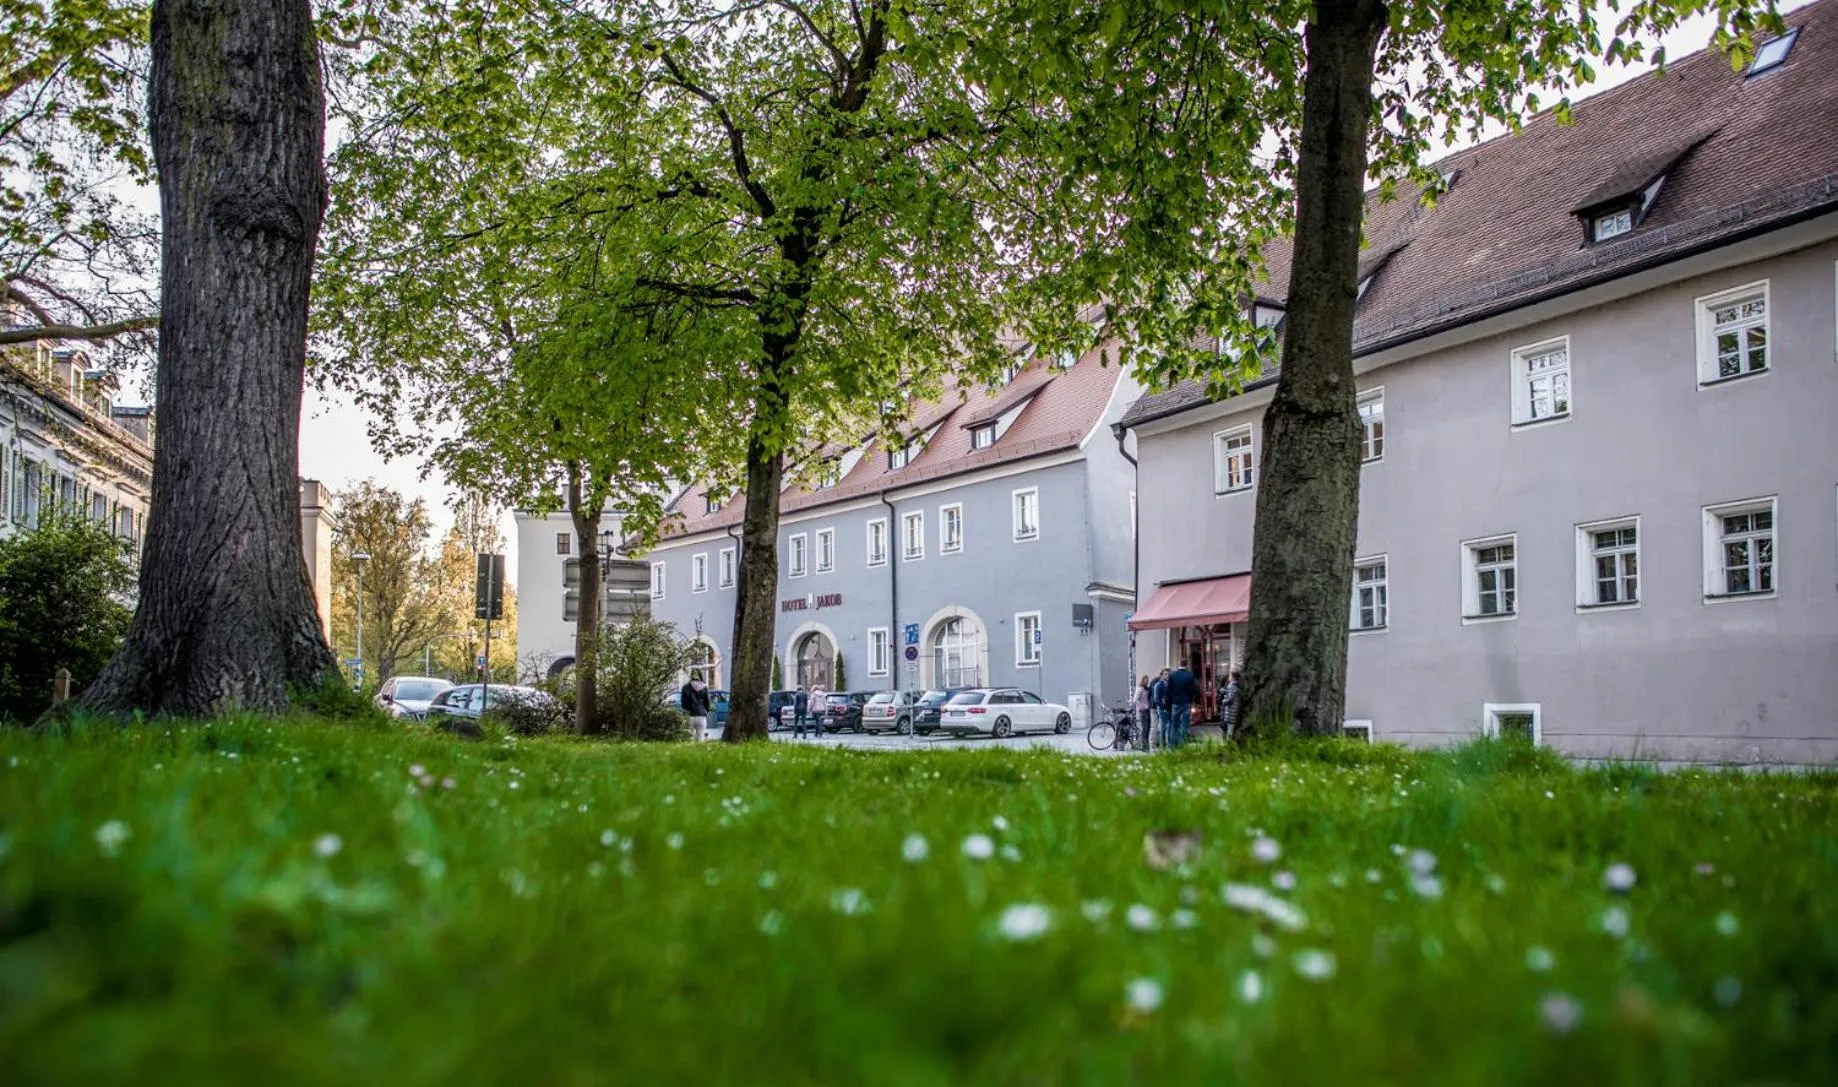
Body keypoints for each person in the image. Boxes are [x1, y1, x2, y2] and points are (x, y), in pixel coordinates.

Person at [1167, 661, 1200, 747]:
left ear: (1179, 664)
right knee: (1184, 724)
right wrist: (1192, 699)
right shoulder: (1190, 675)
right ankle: (1182, 744)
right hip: (1186, 702)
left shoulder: (1173, 675)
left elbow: (1169, 690)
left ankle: (1173, 745)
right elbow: (1195, 690)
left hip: (1175, 703)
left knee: (1174, 724)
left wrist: (1169, 703)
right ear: (1187, 665)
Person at [680, 670, 712, 742]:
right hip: (701, 715)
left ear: (691, 676)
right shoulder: (704, 687)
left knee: (689, 739)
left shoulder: (685, 687)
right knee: (700, 738)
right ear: (700, 676)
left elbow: (683, 703)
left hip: (689, 715)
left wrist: (686, 710)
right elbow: (707, 702)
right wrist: (706, 711)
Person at [1150, 668, 1172, 749]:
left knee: (1169, 726)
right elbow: (1156, 698)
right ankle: (1162, 744)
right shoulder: (1158, 685)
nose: (1167, 676)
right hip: (1162, 708)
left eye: (1168, 674)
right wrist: (1163, 707)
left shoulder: (1170, 684)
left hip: (1169, 707)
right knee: (1163, 726)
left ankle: (1169, 743)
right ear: (1162, 675)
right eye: (1165, 674)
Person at [1133, 674, 1154, 751]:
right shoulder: (1140, 689)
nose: (1147, 681)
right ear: (1142, 680)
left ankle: (1147, 745)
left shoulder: (1146, 689)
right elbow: (1135, 700)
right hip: (1143, 710)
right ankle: (1143, 746)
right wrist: (1141, 706)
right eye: (1145, 680)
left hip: (1148, 710)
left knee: (1148, 728)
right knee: (1144, 728)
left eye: (1147, 680)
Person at [1220, 670, 1242, 740]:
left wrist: (1223, 701)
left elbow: (1230, 699)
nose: (1228, 677)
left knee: (1230, 731)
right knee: (1229, 730)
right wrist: (1225, 691)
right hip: (1232, 712)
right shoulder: (1234, 686)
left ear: (1233, 677)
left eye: (1230, 676)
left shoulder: (1232, 686)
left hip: (1231, 712)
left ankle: (1229, 747)